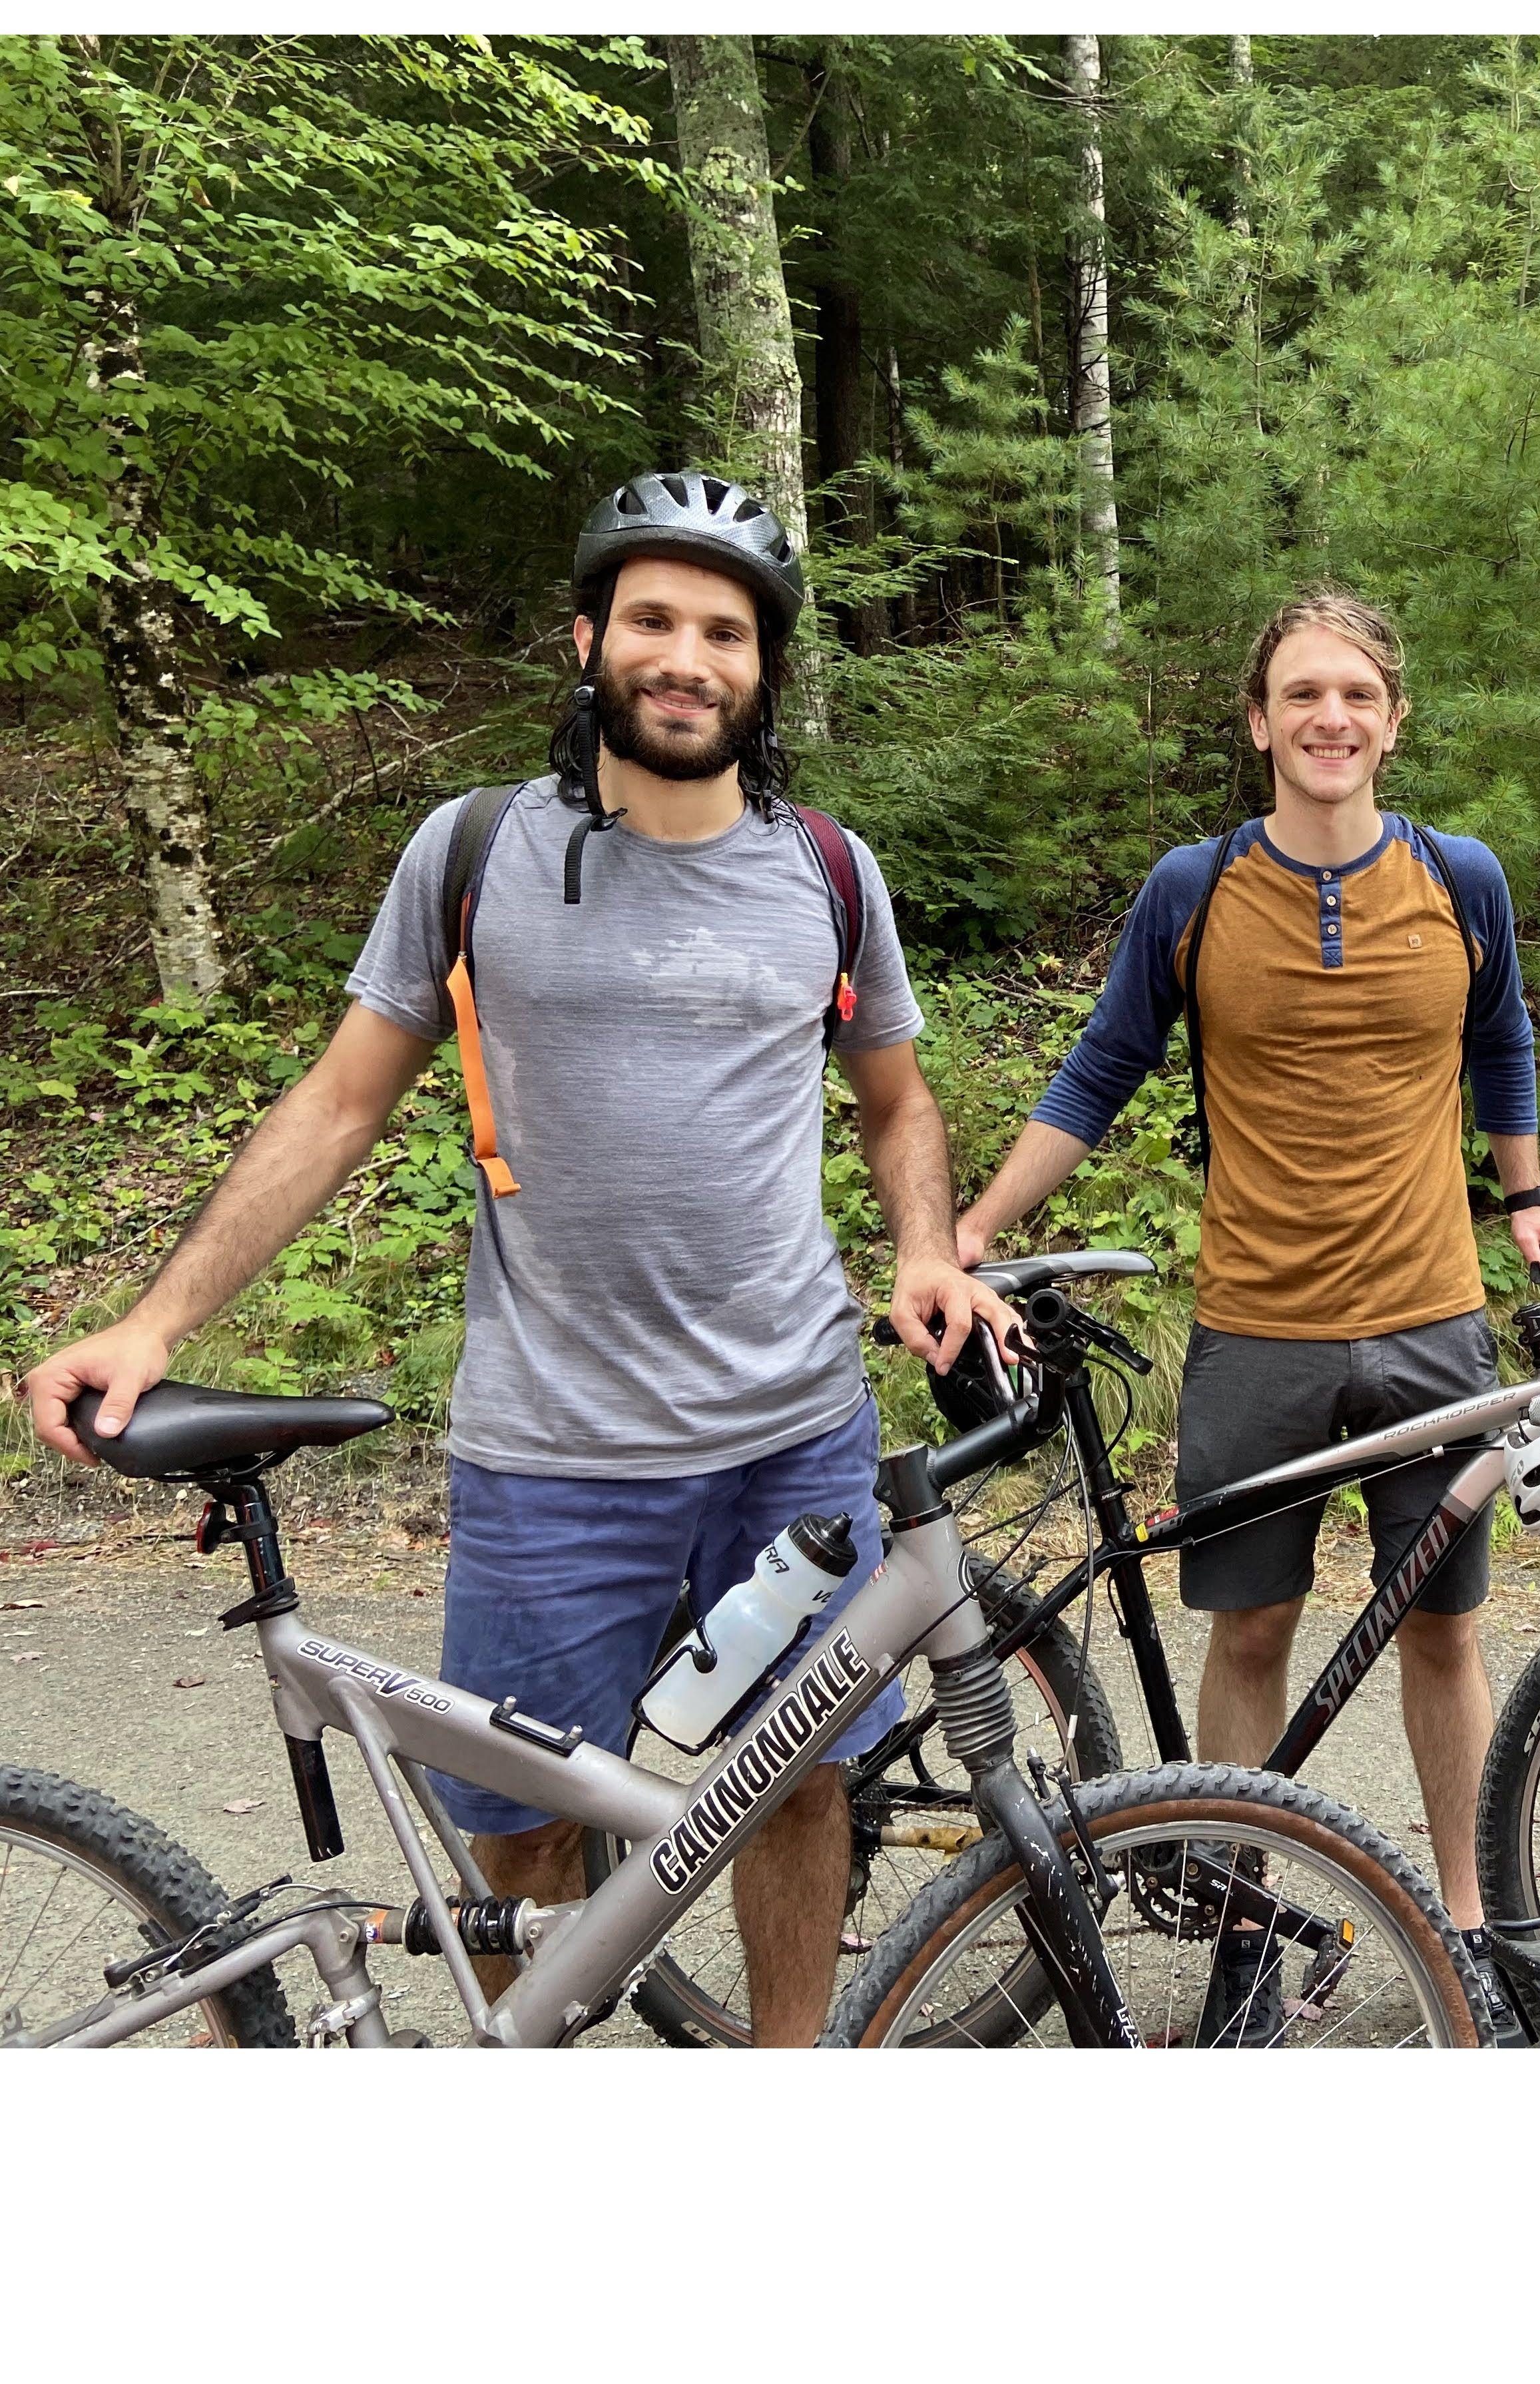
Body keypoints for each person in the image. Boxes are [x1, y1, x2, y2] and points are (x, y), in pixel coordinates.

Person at [19, 469, 1017, 2046]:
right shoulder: (474, 850)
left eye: (724, 631)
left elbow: (896, 1098)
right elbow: (343, 1100)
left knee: (804, 1782)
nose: (687, 657)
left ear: (763, 669)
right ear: (590, 638)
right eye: (655, 620)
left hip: (794, 1429)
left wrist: (922, 1252)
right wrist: (154, 1323)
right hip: (556, 1448)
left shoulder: (827, 869)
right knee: (523, 1821)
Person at [954, 581, 1540, 2036]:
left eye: (1356, 693)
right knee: (1252, 1635)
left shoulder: (1459, 878)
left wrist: (1527, 1195)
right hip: (1256, 1326)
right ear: (1258, 721)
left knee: (1441, 1630)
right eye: (1303, 692)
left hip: (1432, 1319)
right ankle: (1240, 1929)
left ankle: (1470, 1933)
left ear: (1394, 719)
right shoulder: (1193, 889)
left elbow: (1504, 1041)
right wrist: (978, 1227)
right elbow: (1100, 1071)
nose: (1330, 717)